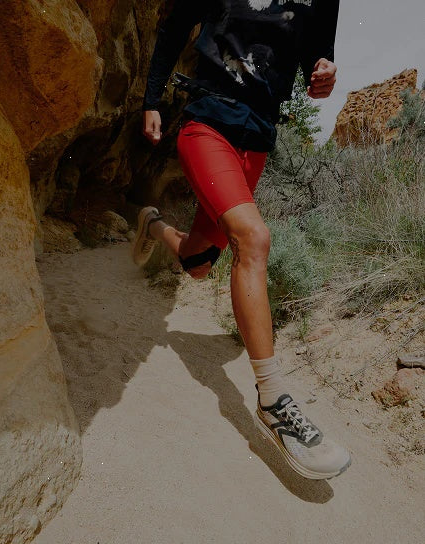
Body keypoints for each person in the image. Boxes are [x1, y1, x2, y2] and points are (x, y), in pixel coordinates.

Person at [134, 0, 350, 480]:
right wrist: (152, 99)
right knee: (253, 238)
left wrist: (325, 73)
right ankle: (273, 400)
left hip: (257, 139)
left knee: (198, 263)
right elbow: (175, 28)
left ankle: (152, 224)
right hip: (208, 122)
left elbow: (318, 57)